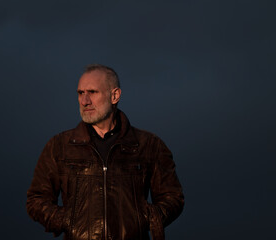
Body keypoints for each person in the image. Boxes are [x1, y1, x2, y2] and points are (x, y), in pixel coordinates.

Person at [26, 64, 184, 240]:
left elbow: (173, 198)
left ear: (114, 95)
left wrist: (143, 218)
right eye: (80, 93)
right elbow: (36, 200)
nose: (84, 101)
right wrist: (69, 221)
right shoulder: (59, 146)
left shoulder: (149, 145)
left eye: (92, 92)